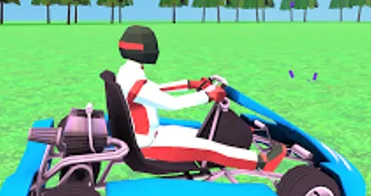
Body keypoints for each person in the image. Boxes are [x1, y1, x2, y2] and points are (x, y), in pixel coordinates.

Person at [115, 25, 286, 170]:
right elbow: (171, 104)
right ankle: (261, 162)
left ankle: (246, 152)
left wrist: (190, 84)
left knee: (201, 135)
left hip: (149, 135)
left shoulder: (128, 72)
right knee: (208, 147)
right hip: (146, 145)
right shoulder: (132, 78)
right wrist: (207, 96)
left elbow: (155, 90)